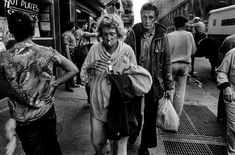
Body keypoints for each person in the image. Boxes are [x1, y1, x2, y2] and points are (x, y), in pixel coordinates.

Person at [0, 11, 78, 155]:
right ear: (33, 30)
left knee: (33, 151)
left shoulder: (4, 57)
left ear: (11, 31)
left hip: (23, 120)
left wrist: (3, 43)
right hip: (46, 112)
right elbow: (73, 69)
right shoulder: (47, 52)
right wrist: (55, 84)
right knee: (52, 147)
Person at [80, 13, 152, 155]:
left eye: (112, 33)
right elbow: (83, 76)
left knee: (120, 147)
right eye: (105, 34)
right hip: (99, 105)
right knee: (98, 142)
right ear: (100, 34)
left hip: (120, 106)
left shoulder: (127, 51)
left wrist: (125, 69)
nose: (108, 38)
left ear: (118, 33)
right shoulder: (94, 49)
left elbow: (136, 80)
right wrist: (90, 69)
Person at [125, 2, 174, 155]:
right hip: (135, 80)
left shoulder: (162, 36)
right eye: (144, 17)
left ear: (156, 18)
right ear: (141, 17)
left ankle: (145, 144)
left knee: (150, 115)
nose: (147, 21)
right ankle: (134, 130)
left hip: (154, 81)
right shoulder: (133, 32)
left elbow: (167, 62)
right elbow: (125, 54)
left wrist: (169, 86)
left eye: (150, 17)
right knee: (133, 111)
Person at [167, 16, 197, 117]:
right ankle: (176, 118)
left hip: (171, 65)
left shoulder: (169, 36)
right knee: (180, 92)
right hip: (184, 66)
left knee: (169, 90)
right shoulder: (189, 35)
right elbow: (193, 51)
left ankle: (168, 117)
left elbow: (166, 53)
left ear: (174, 24)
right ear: (184, 24)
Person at [217, 46, 235, 154]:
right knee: (233, 126)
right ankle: (232, 152)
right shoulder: (232, 53)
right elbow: (221, 72)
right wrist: (226, 86)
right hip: (232, 94)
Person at [217, 34, 235, 124]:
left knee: (223, 92)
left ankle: (221, 116)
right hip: (229, 79)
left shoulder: (229, 39)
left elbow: (220, 54)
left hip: (227, 71)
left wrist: (219, 65)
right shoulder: (232, 51)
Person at [75, 20, 99, 86]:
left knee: (81, 65)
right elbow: (90, 34)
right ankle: (79, 81)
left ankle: (79, 81)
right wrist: (97, 32)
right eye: (86, 24)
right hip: (80, 50)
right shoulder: (80, 31)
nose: (87, 25)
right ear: (83, 25)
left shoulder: (80, 31)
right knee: (81, 66)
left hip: (82, 50)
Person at [62, 21, 79, 92]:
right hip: (70, 54)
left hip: (73, 53)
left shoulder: (70, 34)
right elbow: (66, 46)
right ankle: (67, 86)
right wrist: (68, 57)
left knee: (73, 68)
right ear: (72, 27)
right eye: (74, 26)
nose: (74, 27)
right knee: (69, 70)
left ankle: (72, 83)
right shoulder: (66, 35)